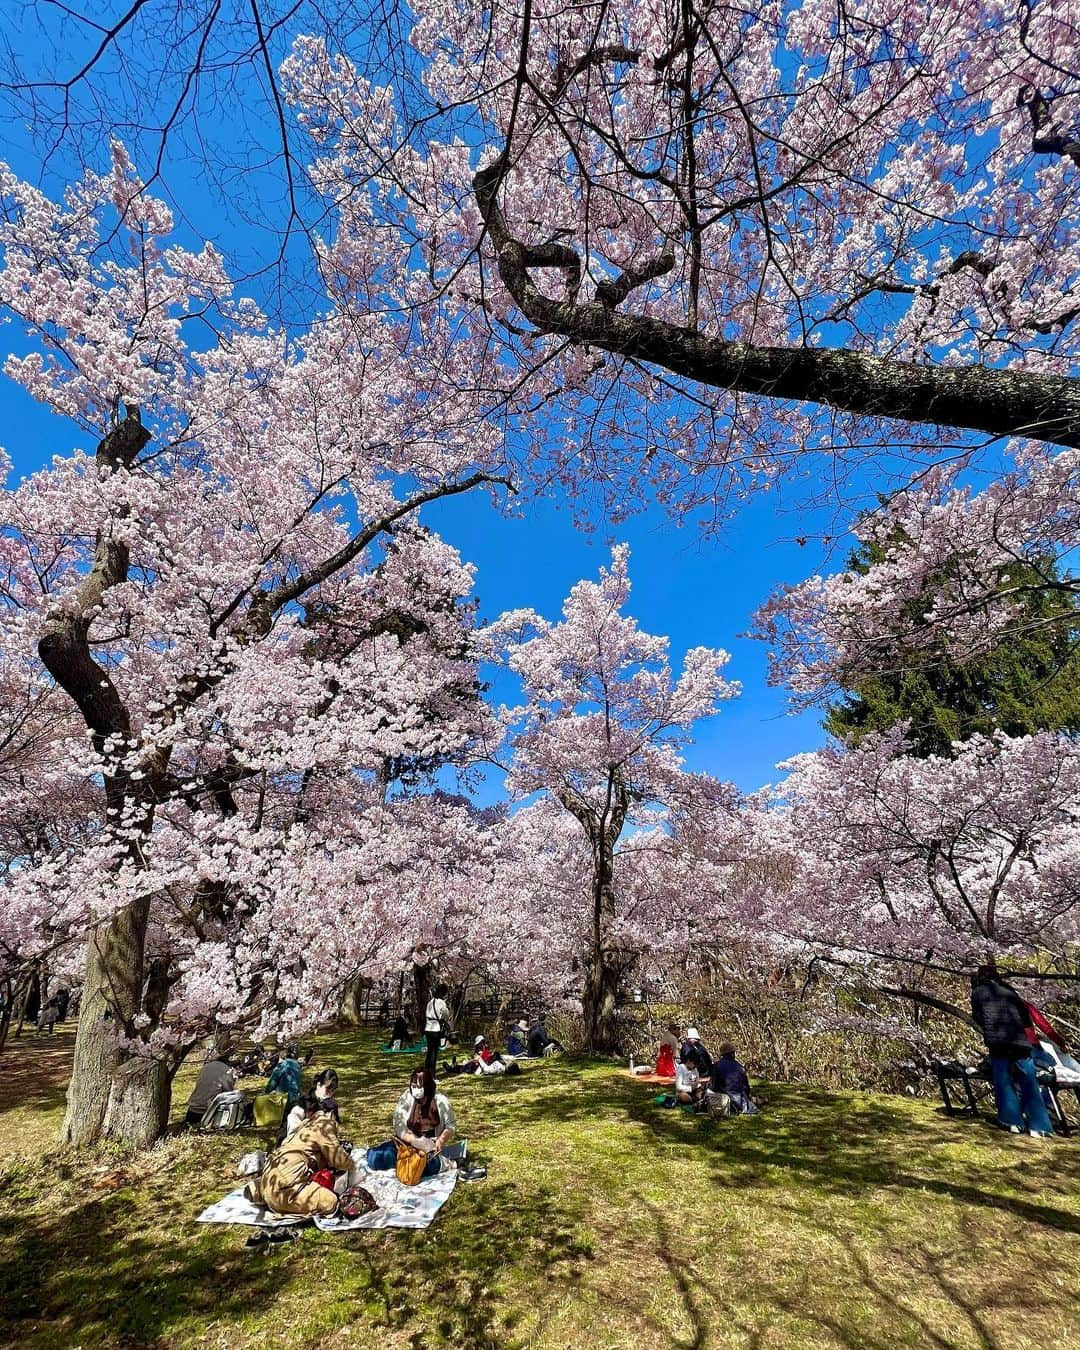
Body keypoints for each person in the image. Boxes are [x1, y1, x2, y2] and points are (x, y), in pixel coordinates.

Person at [971, 965, 1054, 1137]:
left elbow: (978, 1016)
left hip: (998, 1041)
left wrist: (988, 1029)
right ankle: (1040, 1126)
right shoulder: (1010, 992)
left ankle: (1012, 1121)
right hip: (1021, 1041)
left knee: (1003, 1079)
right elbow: (1025, 1018)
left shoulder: (978, 992)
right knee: (1029, 1080)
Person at [246, 1111, 356, 1219]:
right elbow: (339, 1160)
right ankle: (281, 1200)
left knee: (282, 1175)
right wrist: (354, 1168)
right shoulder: (324, 1124)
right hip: (286, 1189)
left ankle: (259, 1191)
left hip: (272, 1172)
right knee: (330, 1200)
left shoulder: (303, 1127)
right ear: (331, 1114)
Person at [367, 1069, 458, 1180]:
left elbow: (451, 1126)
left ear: (427, 1086)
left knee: (424, 1167)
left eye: (419, 1087)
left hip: (428, 1149)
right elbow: (398, 1124)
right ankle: (402, 1164)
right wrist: (414, 1140)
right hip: (406, 1144)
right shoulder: (407, 1097)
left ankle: (443, 1164)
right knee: (375, 1158)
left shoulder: (440, 1100)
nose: (415, 1090)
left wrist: (440, 1141)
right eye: (413, 1086)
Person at [185, 1056, 239, 1127]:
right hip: (208, 1113)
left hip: (192, 1111)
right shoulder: (227, 1070)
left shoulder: (206, 1066)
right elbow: (229, 1091)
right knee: (238, 1095)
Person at [709, 1043, 758, 1114]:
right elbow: (746, 1088)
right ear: (732, 1054)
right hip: (741, 1100)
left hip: (725, 1099)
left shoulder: (716, 1066)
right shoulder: (740, 1067)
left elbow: (714, 1086)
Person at [424, 984, 453, 1078]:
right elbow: (446, 1015)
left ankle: (426, 1072)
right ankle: (432, 1075)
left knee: (429, 1052)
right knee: (434, 1053)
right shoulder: (441, 1002)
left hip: (428, 1028)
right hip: (436, 1029)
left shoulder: (430, 1002)